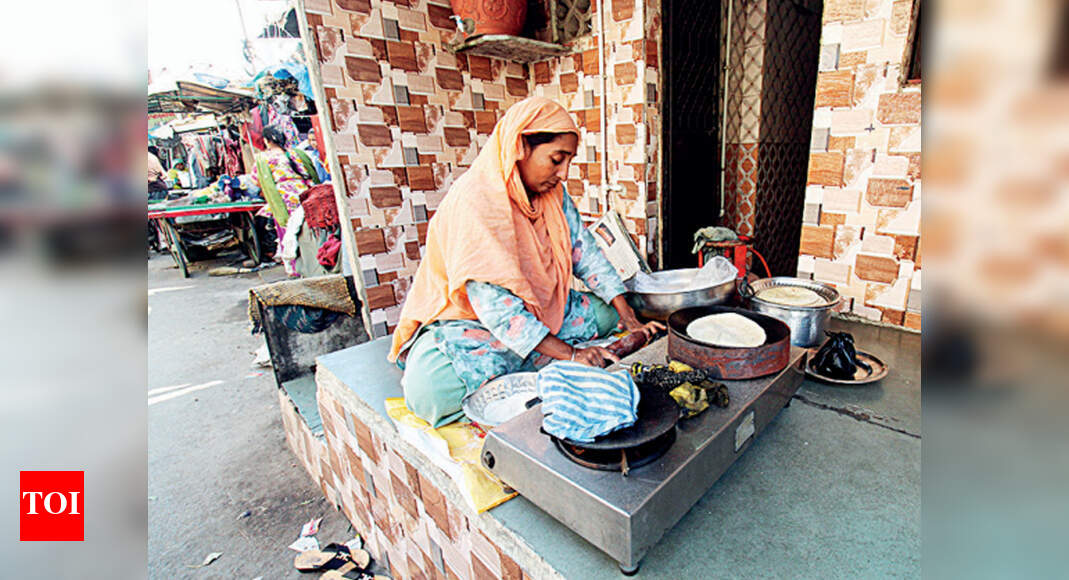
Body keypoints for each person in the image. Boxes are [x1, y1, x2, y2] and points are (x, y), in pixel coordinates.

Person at [388, 96, 664, 427]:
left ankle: (538, 358)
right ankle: (545, 355)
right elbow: (497, 311)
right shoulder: (475, 202)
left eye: (569, 162)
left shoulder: (554, 196)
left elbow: (585, 253)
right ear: (521, 146)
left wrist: (627, 316)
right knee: (427, 390)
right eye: (556, 160)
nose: (563, 174)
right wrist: (573, 354)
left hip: (545, 308)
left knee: (614, 309)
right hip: (478, 323)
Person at [254, 124, 320, 274]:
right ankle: (317, 262)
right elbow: (311, 173)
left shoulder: (264, 158)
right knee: (311, 229)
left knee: (289, 231)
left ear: (266, 141)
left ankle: (295, 268)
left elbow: (257, 181)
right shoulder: (297, 153)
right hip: (306, 194)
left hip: (284, 199)